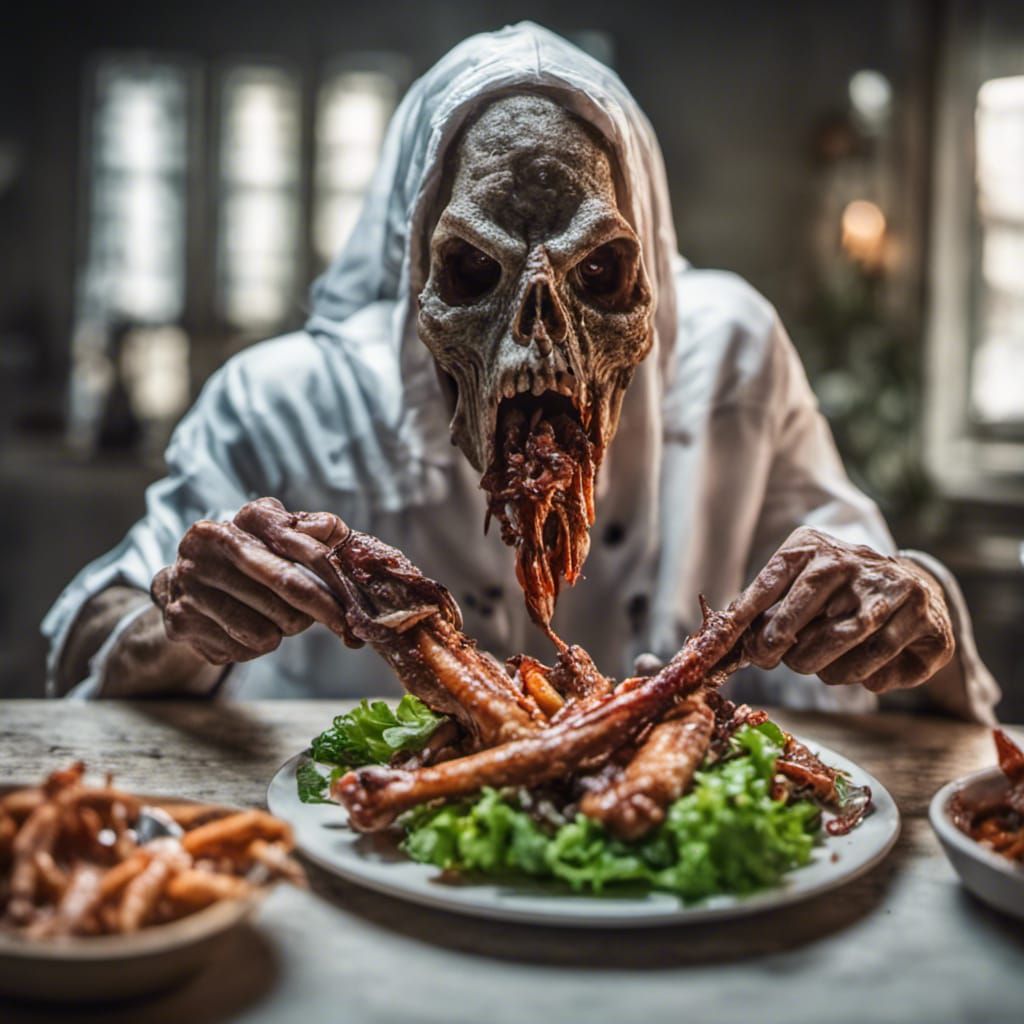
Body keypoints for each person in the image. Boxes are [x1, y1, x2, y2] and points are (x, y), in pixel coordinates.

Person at [44, 23, 998, 721]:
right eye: (472, 272)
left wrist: (916, 612)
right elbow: (93, 632)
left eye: (598, 275)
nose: (533, 350)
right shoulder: (279, 400)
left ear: (647, 276)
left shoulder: (732, 354)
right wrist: (177, 623)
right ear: (416, 264)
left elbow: (882, 600)